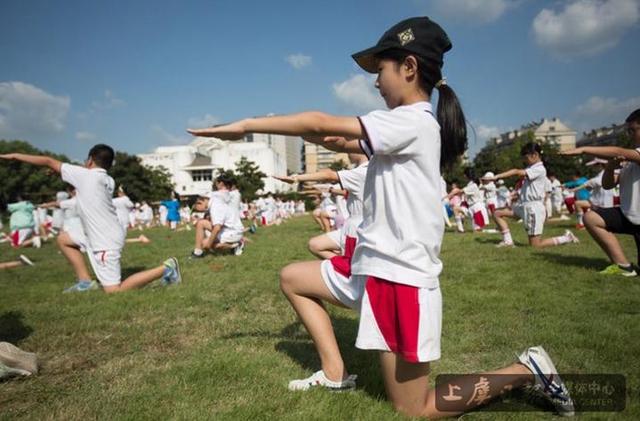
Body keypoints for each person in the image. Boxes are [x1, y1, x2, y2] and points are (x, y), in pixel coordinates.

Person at [186, 17, 573, 418]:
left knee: (415, 409)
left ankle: (525, 370)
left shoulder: (412, 120)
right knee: (293, 278)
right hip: (371, 269)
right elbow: (329, 135)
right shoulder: (404, 127)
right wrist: (319, 138)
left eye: (380, 70)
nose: (375, 82)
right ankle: (335, 372)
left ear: (409, 67)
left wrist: (244, 127)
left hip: (399, 276)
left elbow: (319, 122)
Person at [0, 144, 182, 293]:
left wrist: (14, 156)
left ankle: (167, 268)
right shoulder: (107, 179)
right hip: (97, 232)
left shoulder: (85, 175)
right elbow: (84, 177)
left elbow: (48, 161)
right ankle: (85, 281)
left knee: (114, 291)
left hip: (104, 238)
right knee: (63, 239)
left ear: (89, 160)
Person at [560, 109, 640, 277]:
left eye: (633, 130)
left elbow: (621, 151)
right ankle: (623, 266)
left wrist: (583, 150)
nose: (630, 134)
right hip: (628, 215)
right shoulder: (629, 159)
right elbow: (608, 184)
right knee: (591, 217)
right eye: (628, 130)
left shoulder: (632, 154)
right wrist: (610, 167)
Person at [275, 153, 368, 259]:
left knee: (351, 261)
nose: (348, 153)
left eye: (350, 149)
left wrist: (296, 178)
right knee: (316, 244)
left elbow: (328, 175)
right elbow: (325, 183)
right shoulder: (366, 171)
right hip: (352, 224)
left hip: (356, 227)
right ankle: (345, 267)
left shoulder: (363, 172)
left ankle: (346, 269)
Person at [486, 143, 580, 249]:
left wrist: (496, 177)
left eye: (526, 157)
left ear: (534, 155)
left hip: (533, 208)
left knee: (535, 245)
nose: (525, 160)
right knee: (497, 213)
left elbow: (516, 172)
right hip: (523, 205)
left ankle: (567, 238)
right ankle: (508, 241)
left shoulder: (539, 168)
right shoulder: (532, 168)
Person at [191, 174, 245, 257]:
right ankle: (197, 252)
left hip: (231, 230)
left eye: (199, 202)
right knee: (201, 223)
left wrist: (209, 244)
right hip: (231, 228)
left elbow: (217, 227)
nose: (198, 206)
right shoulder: (229, 195)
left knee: (205, 244)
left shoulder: (215, 203)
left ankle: (235, 246)